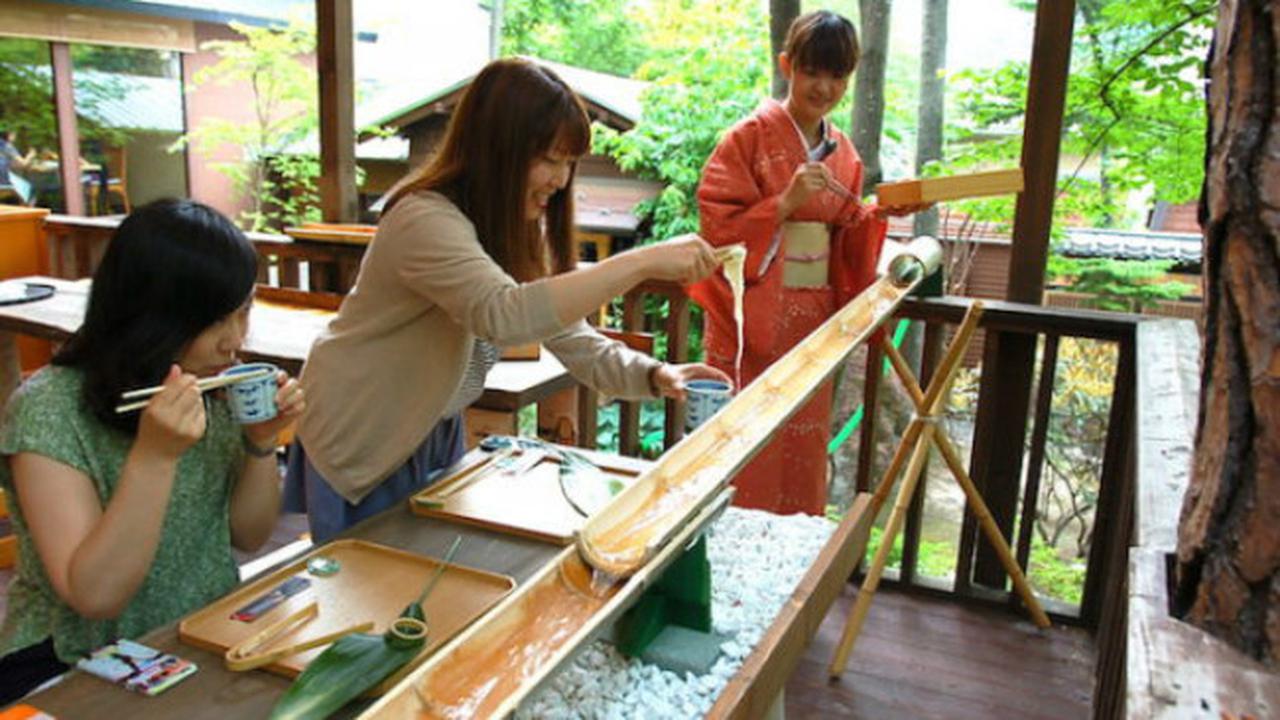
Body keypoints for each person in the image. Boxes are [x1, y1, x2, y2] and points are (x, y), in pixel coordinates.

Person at [286, 58, 729, 542]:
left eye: (568, 162)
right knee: (363, 596)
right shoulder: (422, 218)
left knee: (420, 590)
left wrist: (655, 374)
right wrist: (640, 263)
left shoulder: (507, 228)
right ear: (496, 150)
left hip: (430, 427)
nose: (560, 180)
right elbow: (504, 315)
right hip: (363, 428)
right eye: (549, 158)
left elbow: (568, 334)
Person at [0, 199, 305, 703]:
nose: (233, 341)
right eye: (214, 320)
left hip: (199, 638)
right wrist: (154, 458)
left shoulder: (207, 383)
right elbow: (94, 595)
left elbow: (249, 536)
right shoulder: (48, 410)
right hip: (75, 662)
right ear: (150, 314)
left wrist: (259, 441)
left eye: (243, 311)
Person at [690, 10, 927, 516]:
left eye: (837, 75)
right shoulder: (747, 139)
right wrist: (781, 205)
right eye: (812, 71)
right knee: (740, 444)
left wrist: (880, 214)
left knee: (800, 446)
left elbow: (846, 232)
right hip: (749, 323)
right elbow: (716, 226)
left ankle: (795, 569)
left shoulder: (844, 154)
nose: (824, 86)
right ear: (787, 66)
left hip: (810, 324)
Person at [0, 129, 35, 204]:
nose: (15, 137)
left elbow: (11, 164)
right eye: (13, 134)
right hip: (4, 184)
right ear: (9, 135)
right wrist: (31, 155)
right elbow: (23, 164)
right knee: (28, 189)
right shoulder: (7, 146)